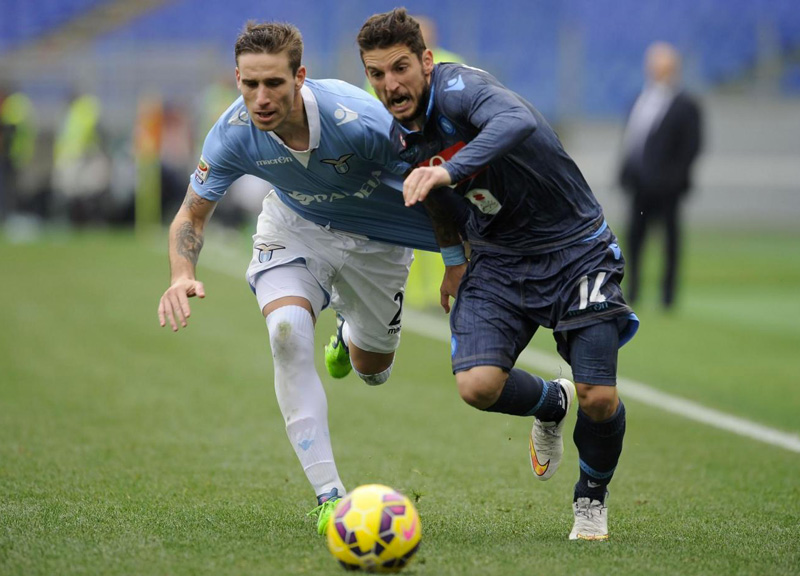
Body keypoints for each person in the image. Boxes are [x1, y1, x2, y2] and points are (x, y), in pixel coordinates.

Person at [156, 21, 464, 535]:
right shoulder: (233, 131)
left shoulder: (360, 119)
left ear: (301, 77)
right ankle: (330, 497)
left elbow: (433, 184)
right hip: (296, 230)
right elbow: (191, 215)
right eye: (250, 84)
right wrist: (180, 273)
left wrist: (454, 260)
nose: (261, 97)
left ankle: (348, 331)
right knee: (285, 335)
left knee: (373, 369)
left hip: (377, 245)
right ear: (237, 78)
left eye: (274, 83)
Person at [357, 8, 639, 541]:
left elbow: (517, 122)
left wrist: (448, 168)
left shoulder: (463, 89)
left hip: (575, 248)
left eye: (400, 68)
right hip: (499, 260)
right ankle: (549, 402)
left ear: (426, 60)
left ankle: (590, 499)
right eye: (376, 74)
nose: (390, 85)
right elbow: (437, 200)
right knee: (477, 386)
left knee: (599, 397)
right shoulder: (401, 139)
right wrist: (453, 263)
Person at [619, 42, 702, 309]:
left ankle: (668, 295)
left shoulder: (685, 105)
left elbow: (691, 146)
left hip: (667, 187)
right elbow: (632, 140)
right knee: (634, 238)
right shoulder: (640, 99)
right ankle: (632, 289)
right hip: (640, 184)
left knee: (670, 239)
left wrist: (674, 179)